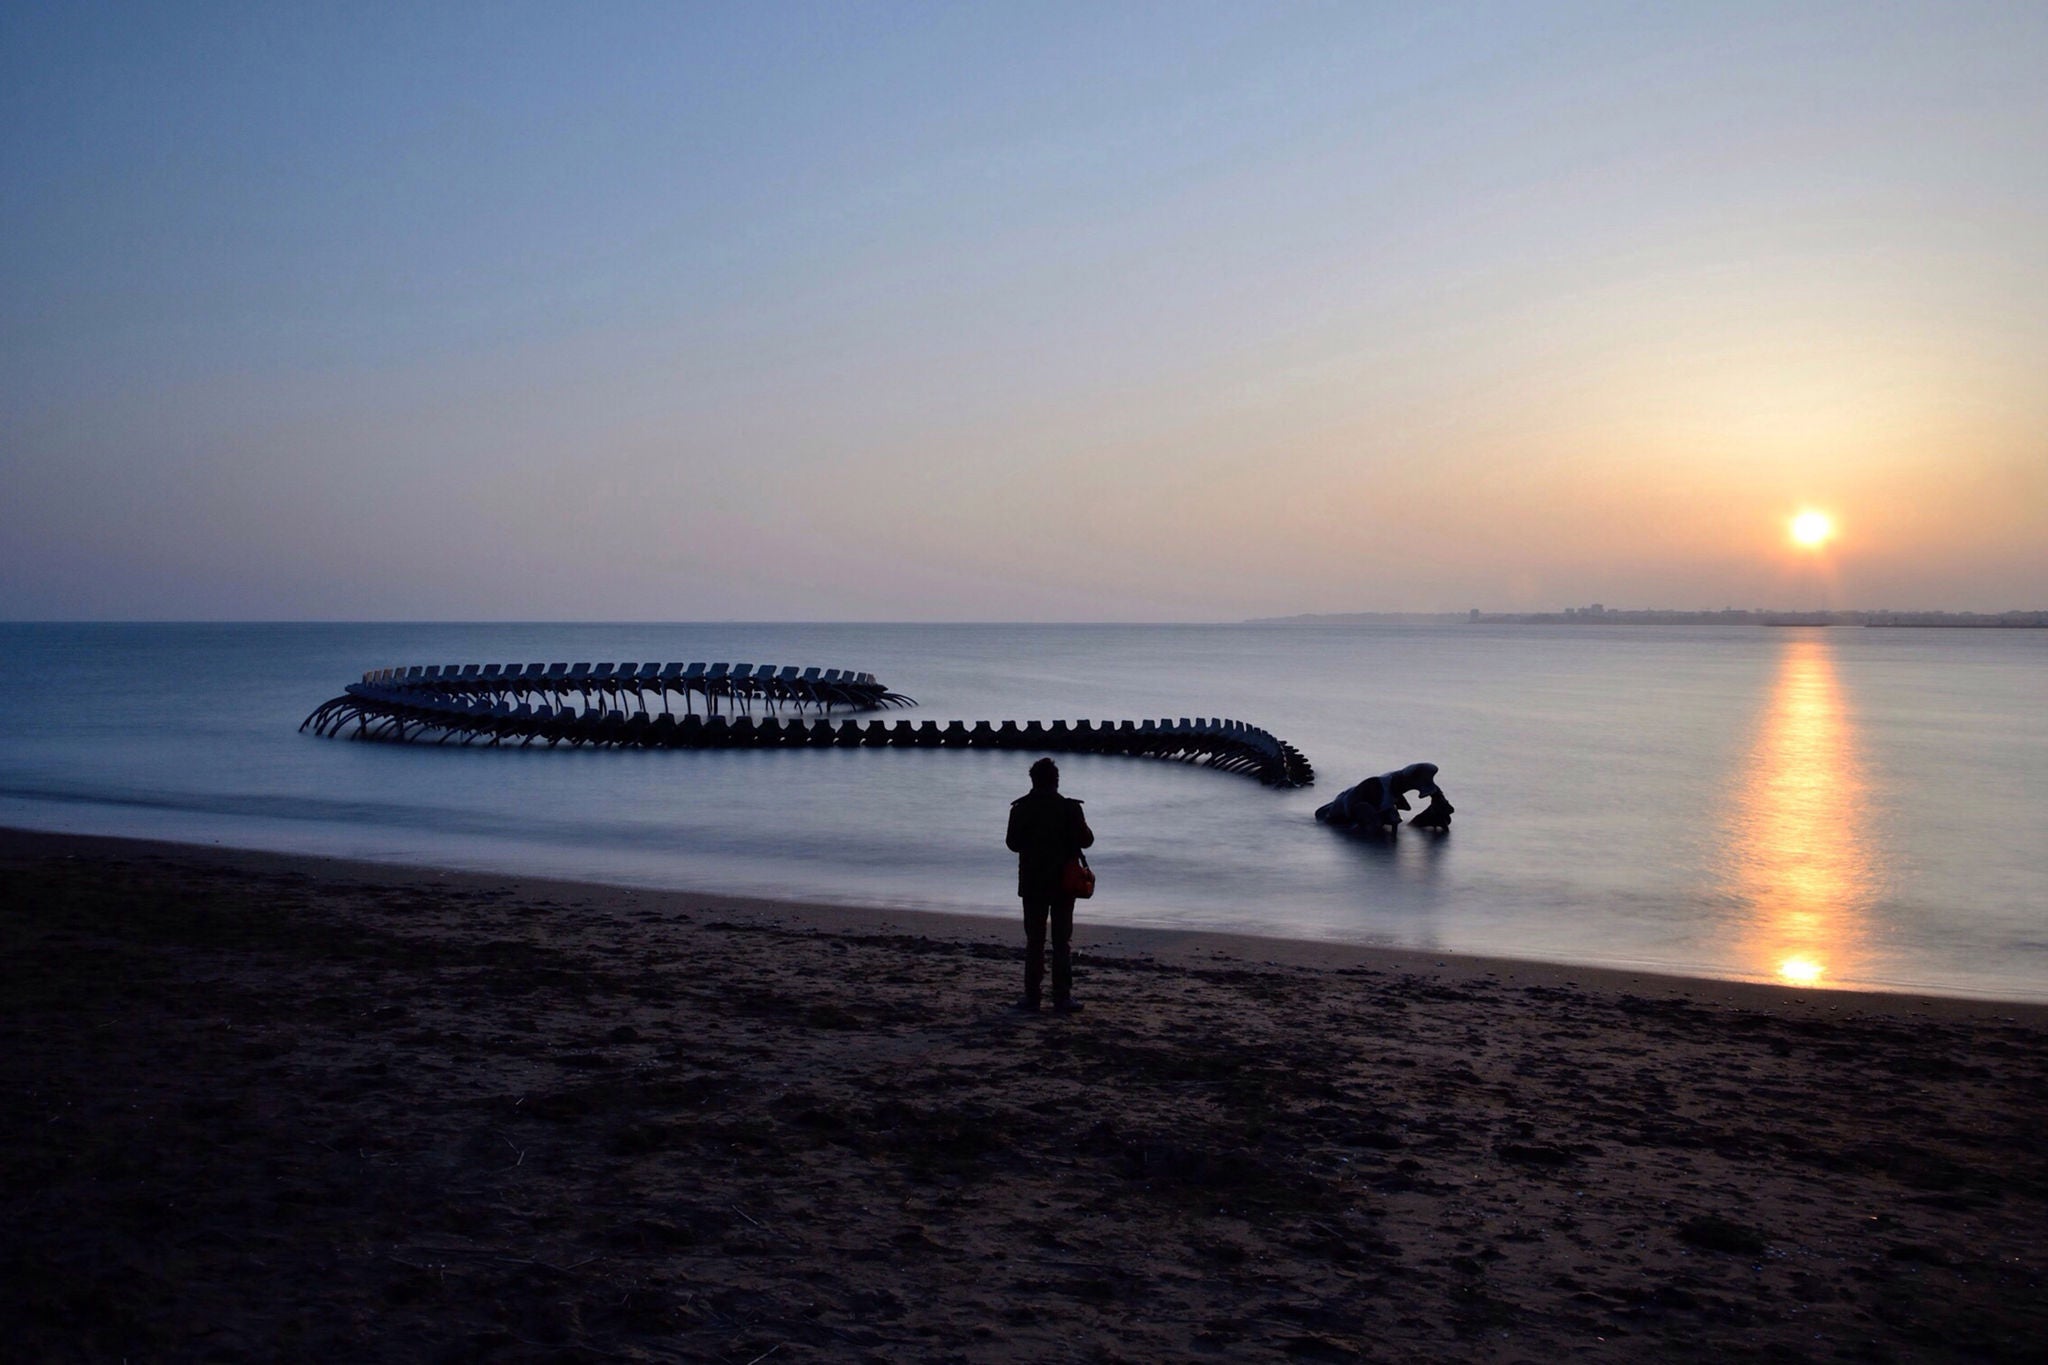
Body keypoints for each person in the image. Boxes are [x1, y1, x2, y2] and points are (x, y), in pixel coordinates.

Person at [1005, 757, 1094, 1012]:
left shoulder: (1021, 808)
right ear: (1056, 781)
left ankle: (1032, 997)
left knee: (1034, 941)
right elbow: (1087, 841)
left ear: (1033, 781)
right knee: (1061, 941)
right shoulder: (1069, 808)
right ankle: (1062, 997)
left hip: (1033, 883)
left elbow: (1012, 844)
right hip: (1063, 883)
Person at [1314, 762, 1448, 832]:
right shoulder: (1374, 784)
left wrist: (1437, 798)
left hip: (1349, 804)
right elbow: (1351, 805)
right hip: (1340, 809)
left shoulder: (1388, 782)